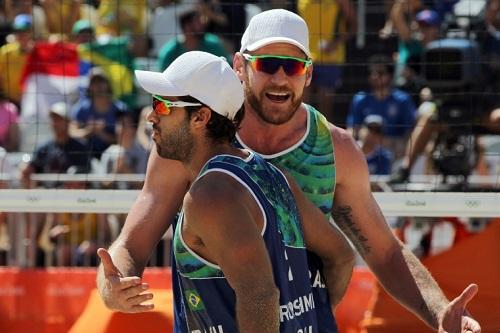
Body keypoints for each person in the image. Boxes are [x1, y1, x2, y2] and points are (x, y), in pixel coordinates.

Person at [100, 8, 481, 333]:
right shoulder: (185, 142)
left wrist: (438, 312)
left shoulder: (336, 149)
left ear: (309, 74)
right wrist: (111, 286)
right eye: (267, 64)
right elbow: (133, 241)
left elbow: (382, 252)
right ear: (239, 67)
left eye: (293, 66)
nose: (281, 77)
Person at [97, 51, 353, 332]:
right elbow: (341, 255)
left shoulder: (209, 196)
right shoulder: (275, 177)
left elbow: (260, 297)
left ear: (201, 117)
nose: (150, 116)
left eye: (162, 106)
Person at [347, 54, 417, 160]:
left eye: (380, 73)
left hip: (396, 153)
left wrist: (383, 141)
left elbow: (410, 135)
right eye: (372, 73)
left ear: (390, 75)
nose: (374, 76)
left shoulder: (403, 100)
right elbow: (351, 130)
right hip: (364, 152)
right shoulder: (360, 99)